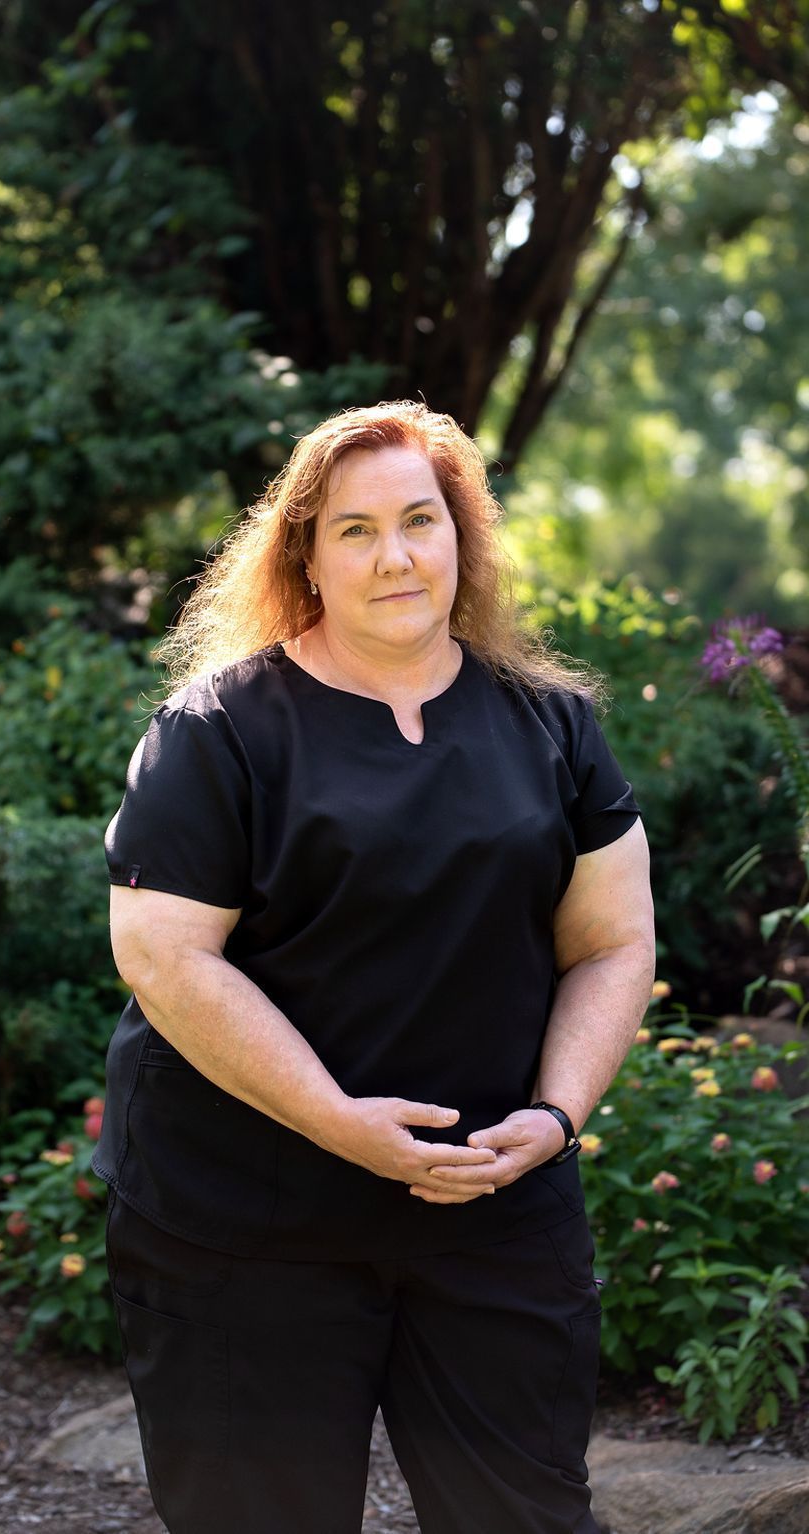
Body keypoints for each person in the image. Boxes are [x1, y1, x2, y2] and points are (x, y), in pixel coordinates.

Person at [95, 400, 655, 1534]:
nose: (395, 556)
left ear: (463, 537)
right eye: (354, 530)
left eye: (419, 520)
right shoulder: (217, 730)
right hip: (246, 1223)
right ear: (304, 556)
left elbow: (611, 942)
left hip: (492, 1210)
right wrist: (337, 1120)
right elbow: (164, 956)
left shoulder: (551, 724)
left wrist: (556, 1115)